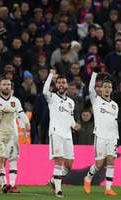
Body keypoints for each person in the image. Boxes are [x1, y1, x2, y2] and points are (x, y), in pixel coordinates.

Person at [0, 77, 30, 194]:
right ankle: (3, 184)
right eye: (4, 84)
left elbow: (21, 113)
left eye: (8, 85)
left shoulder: (15, 101)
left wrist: (27, 122)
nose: (7, 86)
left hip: (11, 134)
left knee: (6, 159)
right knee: (0, 158)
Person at [43, 69, 80, 198]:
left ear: (67, 85)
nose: (61, 84)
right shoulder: (52, 97)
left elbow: (71, 118)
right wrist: (51, 75)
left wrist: (74, 125)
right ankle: (58, 189)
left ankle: (53, 180)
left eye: (63, 82)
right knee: (59, 161)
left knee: (69, 165)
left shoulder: (71, 102)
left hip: (68, 135)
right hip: (56, 133)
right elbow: (44, 91)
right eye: (59, 82)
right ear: (56, 85)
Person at [84, 70, 119, 196]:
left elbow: (115, 123)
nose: (107, 89)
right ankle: (88, 178)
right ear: (101, 89)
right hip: (100, 136)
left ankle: (108, 188)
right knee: (98, 164)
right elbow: (90, 89)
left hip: (112, 138)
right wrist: (94, 74)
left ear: (111, 89)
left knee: (111, 161)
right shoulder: (96, 101)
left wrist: (117, 137)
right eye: (105, 87)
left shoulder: (115, 105)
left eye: (109, 87)